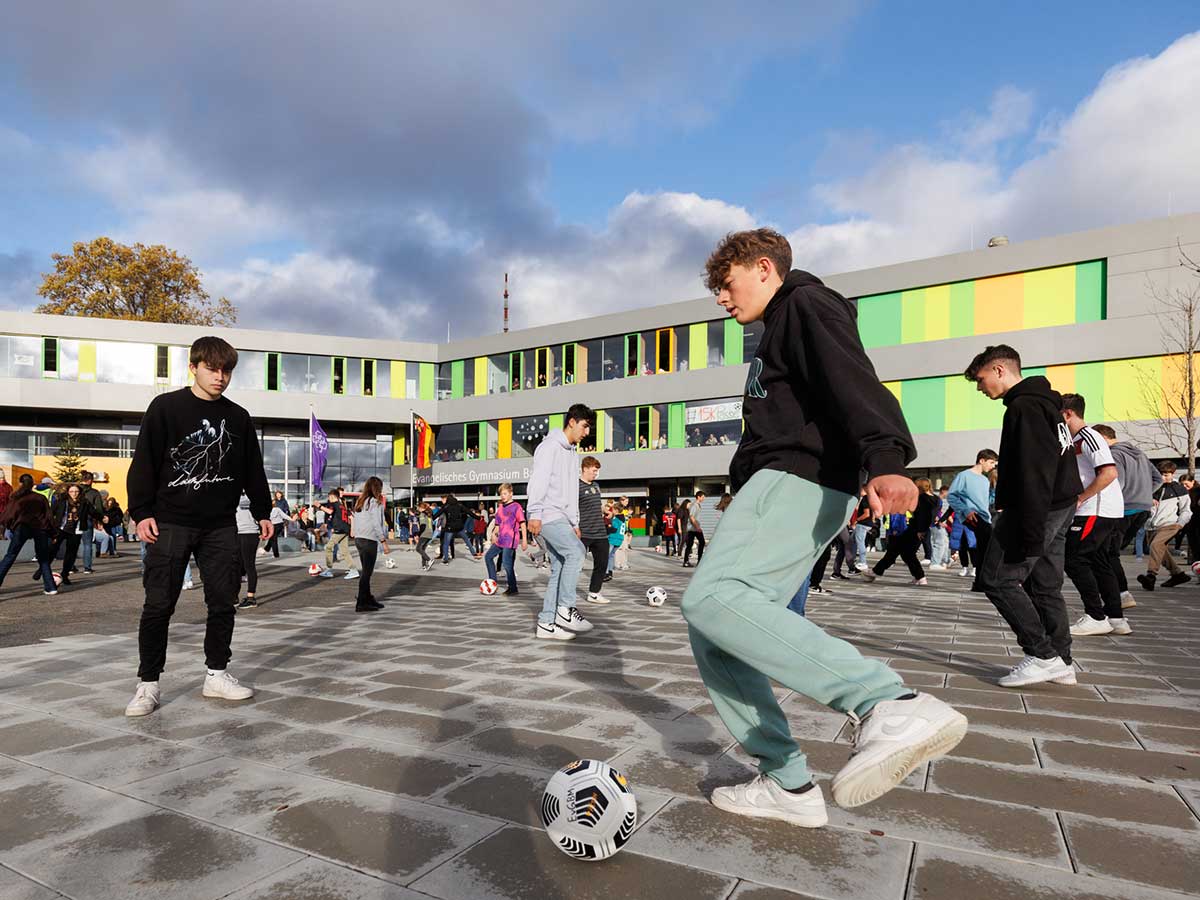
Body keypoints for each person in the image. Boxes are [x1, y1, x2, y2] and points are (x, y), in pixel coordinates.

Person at [683, 228, 965, 827]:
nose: (720, 299)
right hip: (800, 485)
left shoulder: (806, 305)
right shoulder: (776, 329)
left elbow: (854, 382)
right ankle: (786, 783)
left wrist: (886, 459)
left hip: (795, 480)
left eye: (726, 284)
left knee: (712, 598)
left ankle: (885, 701)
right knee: (720, 631)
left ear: (764, 268)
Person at [124, 335, 273, 718]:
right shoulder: (165, 408)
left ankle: (217, 674)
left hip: (221, 525)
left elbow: (252, 469)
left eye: (227, 371)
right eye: (212, 368)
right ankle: (148, 684)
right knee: (159, 604)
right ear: (193, 367)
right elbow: (144, 462)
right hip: (170, 522)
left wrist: (263, 510)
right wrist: (141, 512)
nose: (220, 377)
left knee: (223, 602)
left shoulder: (238, 417)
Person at [964, 345, 1084, 687]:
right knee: (1046, 585)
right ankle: (1062, 659)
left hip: (1037, 508)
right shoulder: (1046, 403)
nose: (979, 387)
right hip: (1059, 505)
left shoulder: (1025, 405)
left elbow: (1035, 471)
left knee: (997, 578)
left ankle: (1042, 655)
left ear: (1000, 369)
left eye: (981, 379)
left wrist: (1028, 528)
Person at [1060, 393, 1129, 637]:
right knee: (1100, 562)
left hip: (1095, 510)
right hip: (1102, 510)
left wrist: (1081, 498)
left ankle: (1096, 616)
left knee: (1074, 558)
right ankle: (1116, 618)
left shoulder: (1090, 437)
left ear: (1067, 414)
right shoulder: (1076, 440)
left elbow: (1109, 473)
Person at [527, 404, 594, 640]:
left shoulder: (572, 453)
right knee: (576, 553)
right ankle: (565, 609)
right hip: (545, 514)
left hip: (561, 517)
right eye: (585, 426)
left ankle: (546, 623)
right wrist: (534, 512)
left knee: (558, 566)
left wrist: (574, 522)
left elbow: (570, 489)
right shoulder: (549, 447)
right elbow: (539, 480)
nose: (586, 433)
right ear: (572, 421)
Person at [1092, 425, 1160, 609]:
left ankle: (1121, 594)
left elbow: (1116, 482)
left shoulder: (1114, 455)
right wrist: (1144, 496)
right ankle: (1116, 592)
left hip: (1124, 509)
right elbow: (1158, 479)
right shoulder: (1139, 453)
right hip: (1142, 508)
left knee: (1107, 552)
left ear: (1102, 438)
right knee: (1111, 551)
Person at [862, 478, 935, 585]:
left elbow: (922, 516)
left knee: (895, 551)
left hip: (914, 530)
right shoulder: (932, 499)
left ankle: (876, 571)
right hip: (915, 529)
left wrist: (920, 530)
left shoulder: (921, 499)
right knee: (906, 554)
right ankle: (919, 577)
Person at [1138, 461, 1193, 591]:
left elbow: (1186, 510)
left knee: (1155, 546)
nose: (1163, 477)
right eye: (1161, 474)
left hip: (1170, 524)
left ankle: (1151, 576)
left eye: (1166, 474)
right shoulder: (1152, 487)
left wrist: (1180, 524)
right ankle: (1178, 574)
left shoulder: (1179, 489)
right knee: (1160, 551)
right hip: (1151, 526)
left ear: (1172, 474)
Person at [0, 474, 58, 595]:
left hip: (22, 528)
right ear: (32, 484)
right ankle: (50, 587)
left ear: (20, 483)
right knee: (43, 559)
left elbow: (8, 515)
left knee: (10, 556)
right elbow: (49, 517)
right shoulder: (40, 498)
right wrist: (53, 534)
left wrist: (11, 526)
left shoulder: (16, 498)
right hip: (40, 529)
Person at [946, 450, 997, 584]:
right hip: (973, 516)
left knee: (982, 548)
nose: (993, 466)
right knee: (987, 548)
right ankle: (984, 582)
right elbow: (951, 496)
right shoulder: (964, 476)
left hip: (985, 517)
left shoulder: (985, 480)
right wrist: (966, 510)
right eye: (991, 462)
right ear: (982, 460)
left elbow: (985, 502)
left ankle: (980, 583)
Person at [351, 476, 387, 612]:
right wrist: (383, 541)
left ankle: (368, 598)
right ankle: (361, 602)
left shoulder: (360, 501)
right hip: (369, 539)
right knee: (367, 572)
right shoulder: (375, 503)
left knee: (367, 571)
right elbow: (376, 523)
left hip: (359, 539)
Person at [577, 458, 610, 605]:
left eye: (597, 471)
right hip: (583, 533)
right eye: (594, 470)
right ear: (585, 468)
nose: (596, 474)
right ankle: (566, 590)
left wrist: (605, 510)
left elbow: (597, 505)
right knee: (575, 564)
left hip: (600, 532)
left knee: (602, 564)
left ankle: (594, 593)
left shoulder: (596, 485)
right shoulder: (575, 486)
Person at [485, 483, 527, 595]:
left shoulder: (516, 507)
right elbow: (498, 525)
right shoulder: (500, 508)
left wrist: (525, 541)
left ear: (511, 494)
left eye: (505, 493)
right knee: (488, 557)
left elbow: (523, 524)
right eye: (501, 494)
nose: (502, 496)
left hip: (511, 539)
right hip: (501, 540)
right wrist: (494, 534)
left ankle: (513, 588)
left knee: (507, 564)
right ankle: (493, 583)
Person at [49, 484, 91, 586]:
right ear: (68, 492)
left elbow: (93, 512)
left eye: (76, 491)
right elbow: (50, 512)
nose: (74, 494)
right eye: (72, 491)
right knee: (53, 549)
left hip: (76, 530)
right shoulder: (61, 501)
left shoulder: (84, 503)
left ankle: (65, 574)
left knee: (71, 554)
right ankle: (43, 569)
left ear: (80, 492)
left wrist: (102, 517)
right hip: (62, 528)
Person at [319, 488, 358, 579]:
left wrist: (320, 506)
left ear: (332, 497)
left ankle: (329, 570)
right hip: (345, 530)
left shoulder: (334, 504)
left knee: (328, 547)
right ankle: (353, 570)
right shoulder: (342, 505)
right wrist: (352, 529)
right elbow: (351, 517)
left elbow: (330, 511)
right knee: (345, 551)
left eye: (329, 497)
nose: (329, 499)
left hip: (339, 530)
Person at [233, 494, 261, 609]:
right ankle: (234, 597)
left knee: (248, 565)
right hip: (242, 533)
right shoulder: (254, 497)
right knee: (237, 566)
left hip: (248, 532)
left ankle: (250, 598)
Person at [78, 472, 104, 574]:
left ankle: (70, 567)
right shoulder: (94, 493)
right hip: (87, 519)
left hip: (74, 520)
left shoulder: (74, 490)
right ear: (90, 480)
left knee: (72, 544)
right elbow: (99, 508)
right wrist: (100, 520)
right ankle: (87, 567)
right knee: (87, 544)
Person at [928, 486, 952, 570]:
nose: (948, 494)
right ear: (943, 491)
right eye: (948, 492)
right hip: (935, 524)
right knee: (939, 543)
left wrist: (940, 520)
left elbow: (937, 512)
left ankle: (944, 560)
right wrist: (938, 520)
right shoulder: (938, 500)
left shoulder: (939, 500)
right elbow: (933, 512)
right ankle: (935, 563)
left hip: (937, 523)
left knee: (944, 541)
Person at [681, 490, 706, 567]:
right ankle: (697, 561)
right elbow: (691, 517)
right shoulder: (694, 505)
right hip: (694, 528)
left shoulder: (697, 505)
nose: (704, 499)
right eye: (703, 497)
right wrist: (697, 527)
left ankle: (687, 561)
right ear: (698, 497)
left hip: (693, 528)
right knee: (702, 542)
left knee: (690, 544)